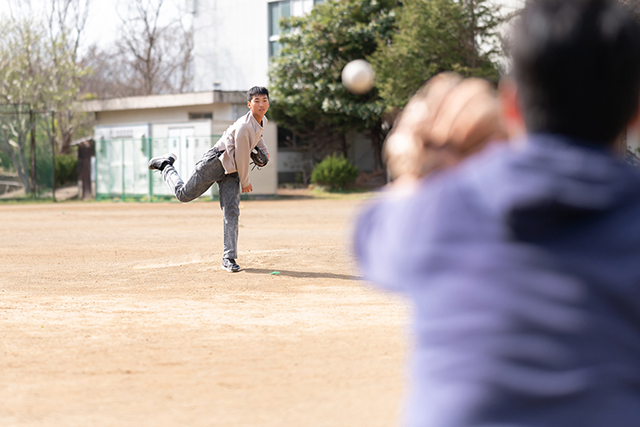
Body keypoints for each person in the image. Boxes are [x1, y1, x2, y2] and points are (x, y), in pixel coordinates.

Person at [354, 0, 640, 426]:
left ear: (511, 104)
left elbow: (369, 237)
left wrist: (418, 171)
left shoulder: (440, 208)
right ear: (635, 114)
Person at [148, 86, 270, 273]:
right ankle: (166, 165)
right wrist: (245, 182)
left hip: (232, 170)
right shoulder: (245, 126)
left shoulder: (261, 121)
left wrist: (265, 156)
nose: (261, 104)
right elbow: (243, 156)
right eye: (257, 101)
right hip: (215, 162)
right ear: (249, 104)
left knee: (232, 211)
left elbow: (258, 142)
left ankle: (228, 258)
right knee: (183, 195)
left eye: (264, 100)